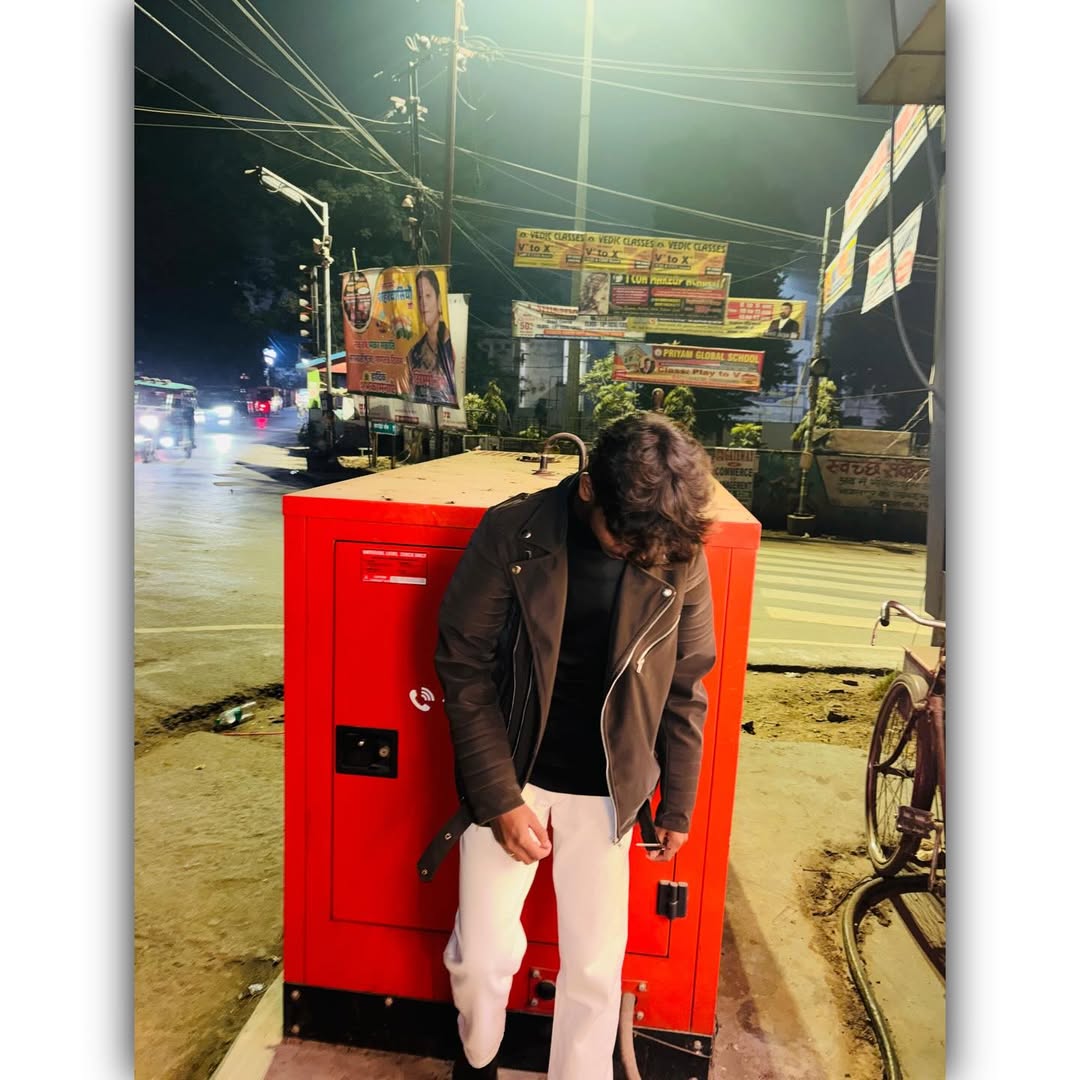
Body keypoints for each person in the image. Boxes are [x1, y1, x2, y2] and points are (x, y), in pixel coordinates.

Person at [421, 413, 718, 1080]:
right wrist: (499, 798)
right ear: (588, 489)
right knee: (482, 955)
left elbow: (686, 681)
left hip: (610, 787)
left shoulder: (673, 545)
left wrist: (677, 801)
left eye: (652, 548)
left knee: (593, 967)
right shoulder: (512, 531)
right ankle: (479, 1059)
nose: (637, 556)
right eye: (624, 540)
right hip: (512, 774)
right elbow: (463, 666)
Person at [407, 268, 458, 406]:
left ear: (439, 299)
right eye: (419, 297)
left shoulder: (451, 344)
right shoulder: (414, 352)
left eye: (428, 295)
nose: (423, 303)